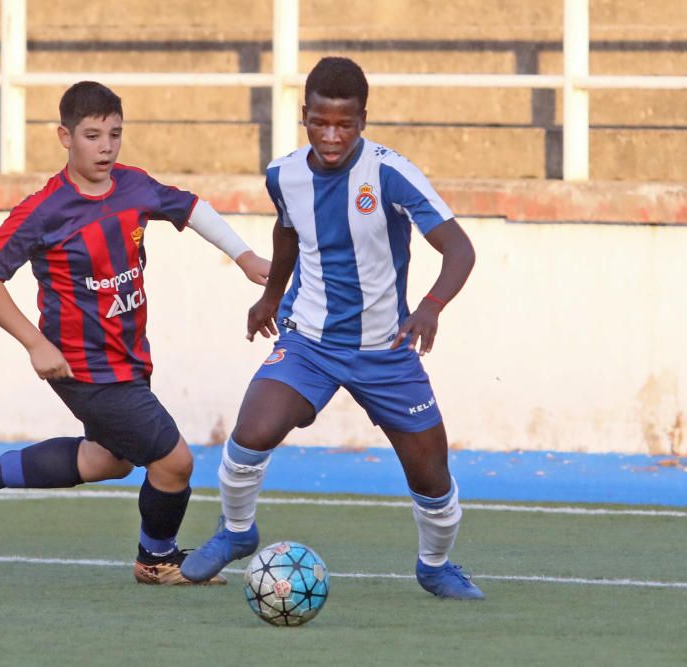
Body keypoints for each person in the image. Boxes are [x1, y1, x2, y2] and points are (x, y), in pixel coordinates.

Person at [0, 81, 270, 586]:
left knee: (108, 459)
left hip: (128, 359)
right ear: (64, 137)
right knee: (174, 463)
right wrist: (36, 343)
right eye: (92, 135)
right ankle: (155, 560)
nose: (106, 147)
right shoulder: (44, 211)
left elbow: (189, 207)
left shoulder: (133, 186)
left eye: (114, 134)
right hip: (82, 366)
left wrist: (244, 256)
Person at [180, 57, 484, 599]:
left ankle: (434, 565)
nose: (331, 136)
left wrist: (432, 306)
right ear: (305, 116)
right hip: (310, 341)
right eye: (320, 123)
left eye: (344, 124)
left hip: (386, 349)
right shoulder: (284, 174)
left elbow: (459, 248)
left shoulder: (391, 173)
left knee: (431, 476)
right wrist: (270, 296)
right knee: (252, 432)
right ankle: (236, 531)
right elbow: (288, 230)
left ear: (363, 120)